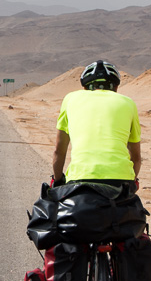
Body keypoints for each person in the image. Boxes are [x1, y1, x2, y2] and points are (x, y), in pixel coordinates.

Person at [51, 60, 141, 189]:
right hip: (121, 180)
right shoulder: (128, 103)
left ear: (85, 88)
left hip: (79, 178)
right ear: (115, 87)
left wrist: (58, 180)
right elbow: (136, 157)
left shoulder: (70, 99)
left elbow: (59, 151)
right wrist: (133, 182)